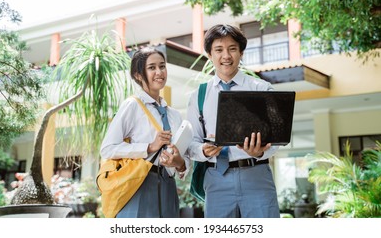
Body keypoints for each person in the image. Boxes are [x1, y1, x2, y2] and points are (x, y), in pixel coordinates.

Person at [186, 24, 280, 218]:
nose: (226, 56)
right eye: (219, 50)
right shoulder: (199, 96)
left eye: (232, 49)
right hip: (216, 179)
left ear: (241, 53)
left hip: (256, 176)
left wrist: (261, 151)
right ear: (210, 55)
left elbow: (277, 136)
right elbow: (191, 143)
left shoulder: (262, 90)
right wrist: (203, 150)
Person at [100, 47, 189, 218]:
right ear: (138, 75)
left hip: (168, 187)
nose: (159, 72)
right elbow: (107, 148)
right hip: (139, 185)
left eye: (162, 66)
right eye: (152, 67)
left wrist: (180, 163)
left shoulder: (174, 114)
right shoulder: (132, 105)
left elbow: (184, 160)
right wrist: (149, 147)